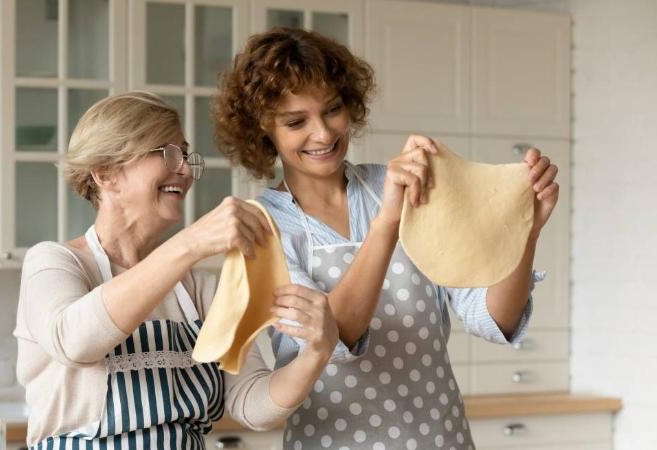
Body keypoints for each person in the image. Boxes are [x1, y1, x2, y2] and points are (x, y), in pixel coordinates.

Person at [213, 28, 558, 449]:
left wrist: (526, 231)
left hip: (441, 438)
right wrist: (387, 221)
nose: (322, 134)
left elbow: (491, 319)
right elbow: (335, 339)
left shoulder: (407, 186)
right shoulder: (261, 228)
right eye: (296, 121)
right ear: (263, 130)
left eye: (333, 110)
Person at [13, 91, 340, 449]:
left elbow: (251, 404)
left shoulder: (198, 289)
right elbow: (75, 341)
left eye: (185, 155)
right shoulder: (55, 263)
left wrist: (316, 352)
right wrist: (190, 243)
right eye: (168, 154)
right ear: (106, 174)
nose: (185, 170)